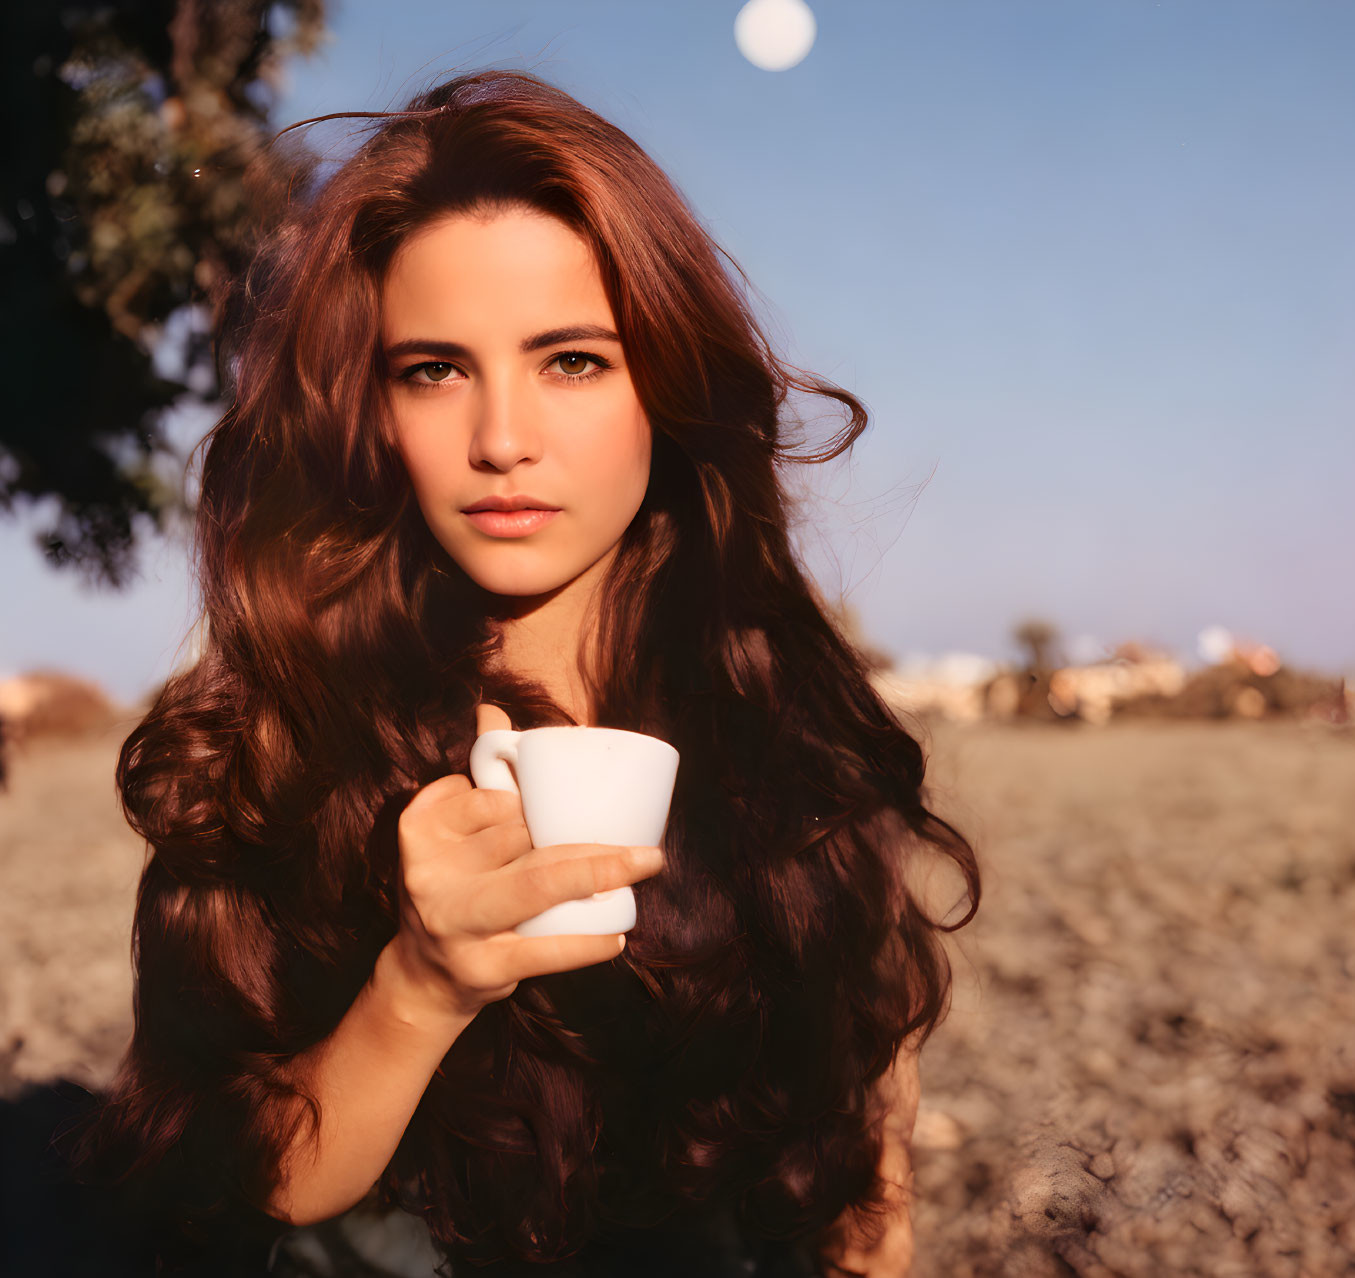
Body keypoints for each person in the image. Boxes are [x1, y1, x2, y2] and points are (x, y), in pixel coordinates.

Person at [60, 68, 980, 1278]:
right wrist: (419, 987)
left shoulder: (784, 728)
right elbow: (240, 1176)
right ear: (367, 410)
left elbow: (865, 1159)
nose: (502, 440)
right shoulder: (289, 732)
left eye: (573, 361)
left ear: (667, 380)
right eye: (433, 369)